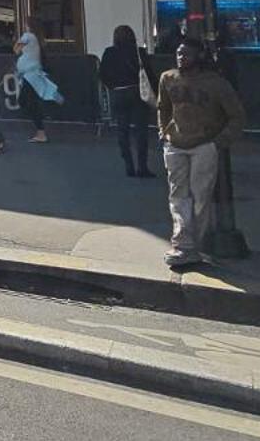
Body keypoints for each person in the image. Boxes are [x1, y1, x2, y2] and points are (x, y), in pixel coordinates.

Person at [157, 38, 246, 268]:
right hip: (176, 142)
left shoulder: (215, 83)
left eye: (186, 54)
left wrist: (218, 142)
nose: (181, 58)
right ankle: (183, 244)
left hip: (204, 144)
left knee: (199, 197)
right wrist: (163, 132)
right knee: (178, 195)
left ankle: (194, 244)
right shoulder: (168, 78)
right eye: (178, 53)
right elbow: (163, 107)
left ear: (199, 57)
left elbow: (237, 115)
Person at [99, 23, 155, 178]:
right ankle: (142, 166)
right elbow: (149, 74)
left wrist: (112, 86)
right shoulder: (139, 52)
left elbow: (102, 73)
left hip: (118, 93)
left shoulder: (109, 53)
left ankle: (128, 165)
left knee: (122, 130)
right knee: (141, 130)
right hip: (137, 91)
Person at [13, 29, 63, 142]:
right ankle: (41, 126)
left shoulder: (28, 36)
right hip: (32, 75)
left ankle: (41, 131)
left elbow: (16, 49)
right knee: (33, 99)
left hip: (30, 77)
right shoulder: (35, 40)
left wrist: (17, 42)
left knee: (26, 102)